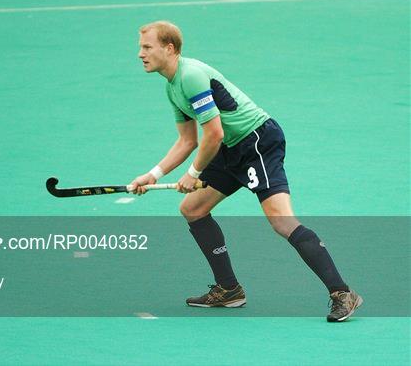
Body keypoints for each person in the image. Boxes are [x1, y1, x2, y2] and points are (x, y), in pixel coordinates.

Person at [130, 21, 362, 322]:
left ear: (169, 48)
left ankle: (342, 293)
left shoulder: (190, 76)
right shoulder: (172, 87)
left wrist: (194, 172)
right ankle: (229, 290)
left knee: (282, 221)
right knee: (193, 208)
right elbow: (188, 141)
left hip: (257, 141)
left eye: (147, 47)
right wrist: (154, 174)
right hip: (230, 148)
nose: (140, 54)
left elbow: (212, 134)